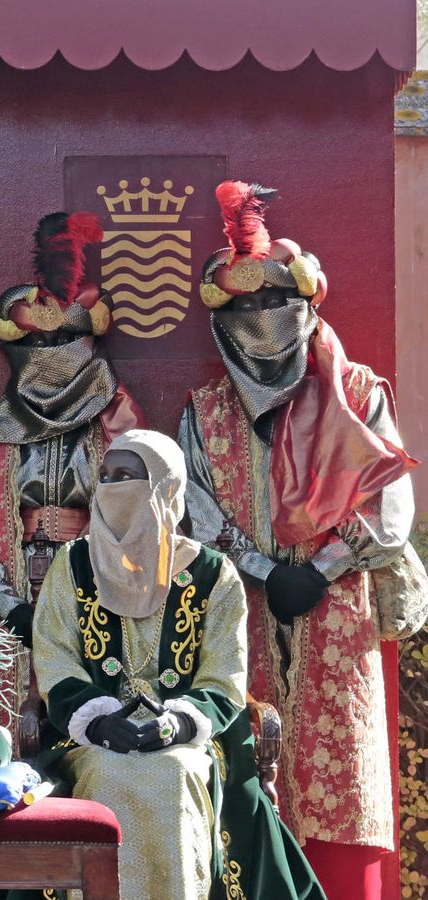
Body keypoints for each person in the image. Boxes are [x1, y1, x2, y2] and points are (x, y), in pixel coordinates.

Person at [178, 182, 418, 899]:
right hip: (237, 614)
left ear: (308, 304)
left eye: (273, 302)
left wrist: (324, 564)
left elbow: (389, 498)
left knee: (341, 788)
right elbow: (190, 509)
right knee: (239, 797)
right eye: (242, 306)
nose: (259, 318)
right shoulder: (205, 413)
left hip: (336, 616)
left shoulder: (359, 394)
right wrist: (258, 565)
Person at [23, 430, 323, 900]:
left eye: (126, 476)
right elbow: (55, 658)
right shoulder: (72, 565)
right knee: (106, 771)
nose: (110, 487)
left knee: (174, 772)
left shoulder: (214, 575)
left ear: (165, 487)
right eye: (105, 476)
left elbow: (224, 674)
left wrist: (178, 725)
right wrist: (99, 724)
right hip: (89, 739)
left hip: (190, 742)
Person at [0, 212, 143, 729]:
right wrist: (11, 607)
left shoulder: (119, 432)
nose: (48, 358)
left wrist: (88, 602)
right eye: (34, 346)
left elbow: (139, 526)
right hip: (9, 612)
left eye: (62, 345)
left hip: (101, 610)